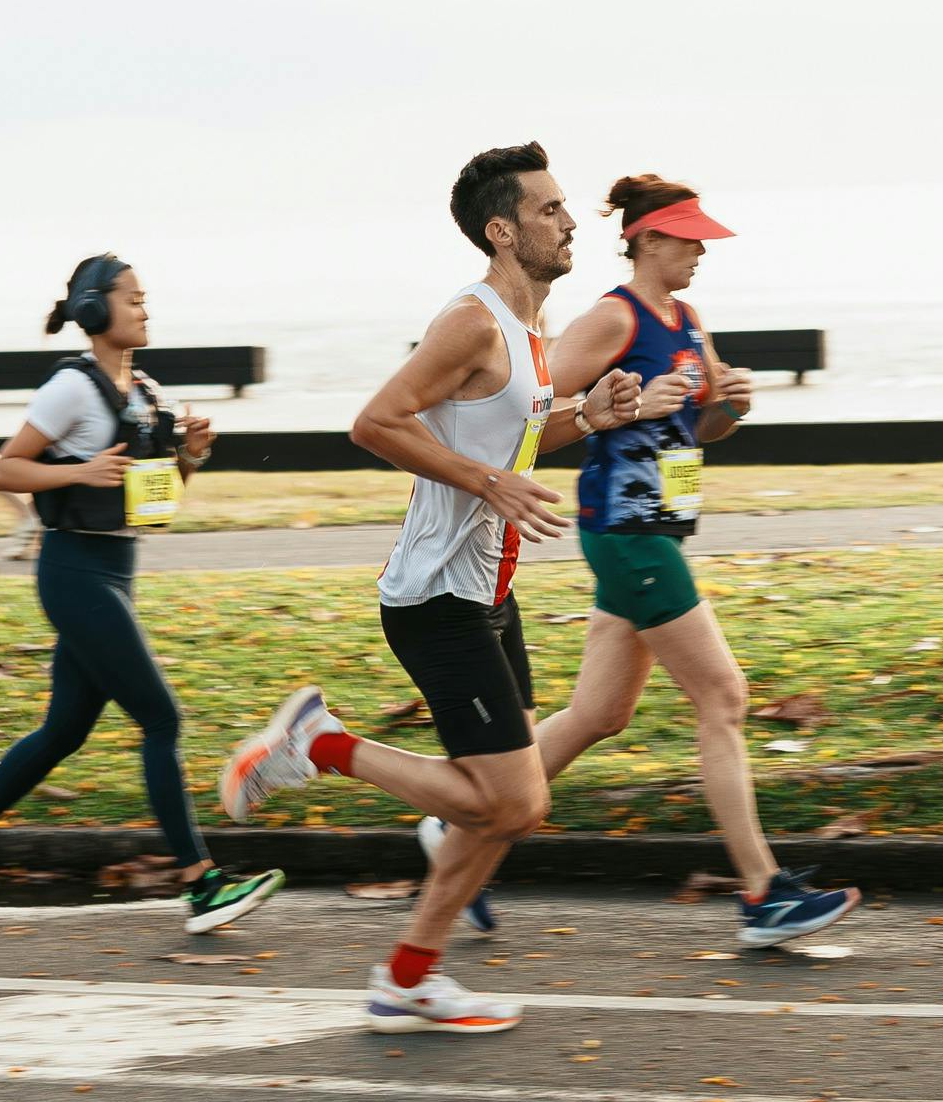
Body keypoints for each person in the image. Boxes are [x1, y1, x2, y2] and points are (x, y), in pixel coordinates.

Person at [219, 143, 648, 1032]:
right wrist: (488, 483)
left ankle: (408, 975)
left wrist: (583, 417)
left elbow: (507, 443)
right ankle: (319, 743)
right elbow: (374, 422)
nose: (571, 222)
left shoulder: (528, 331)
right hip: (436, 601)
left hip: (490, 593)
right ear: (503, 229)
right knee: (518, 801)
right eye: (550, 209)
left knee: (493, 810)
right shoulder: (473, 322)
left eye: (567, 207)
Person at [526, 174, 859, 950]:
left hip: (660, 529)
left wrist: (731, 403)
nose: (701, 249)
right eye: (686, 237)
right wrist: (623, 406)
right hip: (625, 531)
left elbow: (702, 429)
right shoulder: (612, 316)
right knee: (723, 694)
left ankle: (459, 818)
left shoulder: (688, 319)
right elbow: (531, 419)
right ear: (646, 240)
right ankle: (762, 891)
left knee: (600, 714)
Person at [0, 255, 284, 935]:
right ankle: (199, 883)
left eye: (146, 297)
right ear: (92, 309)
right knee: (161, 718)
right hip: (73, 572)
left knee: (65, 730)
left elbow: (157, 502)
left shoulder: (143, 389)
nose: (145, 308)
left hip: (116, 569)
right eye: (133, 298)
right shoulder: (71, 388)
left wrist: (192, 456)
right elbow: (3, 469)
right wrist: (82, 469)